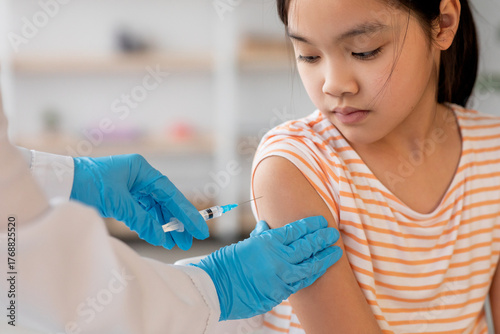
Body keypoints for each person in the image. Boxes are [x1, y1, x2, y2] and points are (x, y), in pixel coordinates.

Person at [0, 88, 344, 333]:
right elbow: (33, 284)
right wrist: (213, 287)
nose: (333, 84)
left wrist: (64, 176)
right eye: (308, 55)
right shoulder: (291, 160)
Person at [251, 0, 500, 333]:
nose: (333, 84)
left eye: (364, 51)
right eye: (309, 55)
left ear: (442, 23)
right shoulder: (294, 166)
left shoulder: (492, 151)